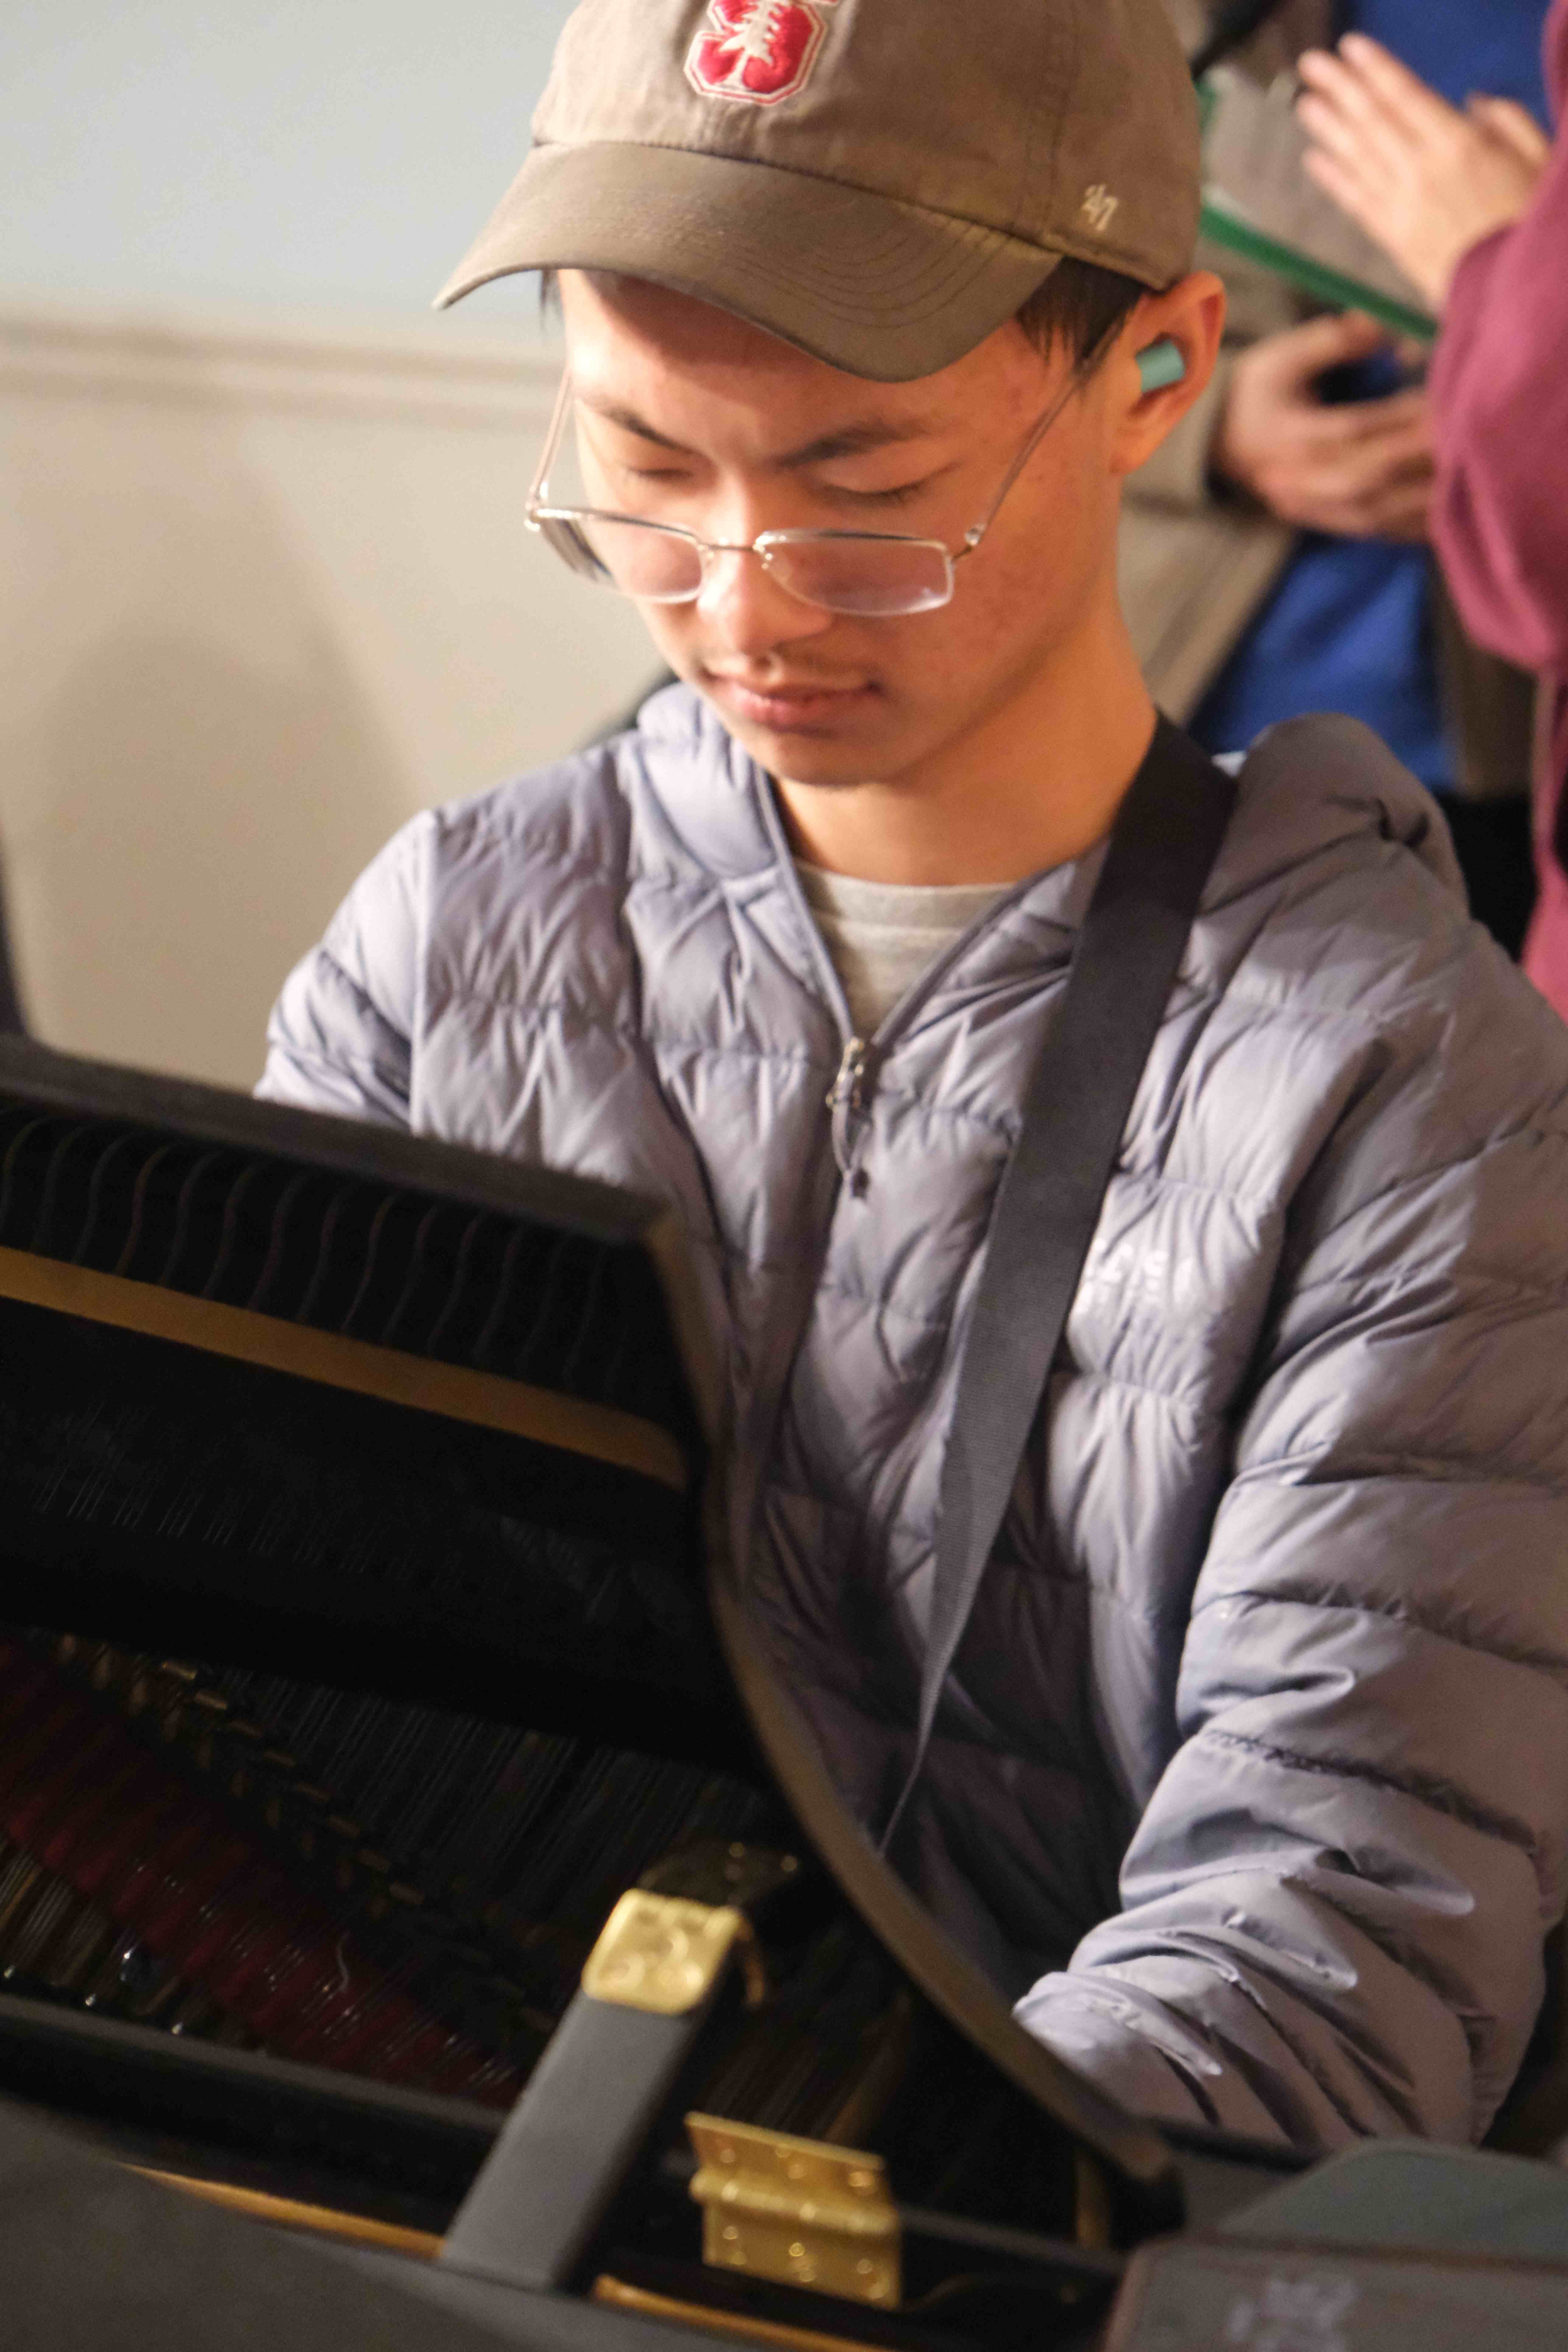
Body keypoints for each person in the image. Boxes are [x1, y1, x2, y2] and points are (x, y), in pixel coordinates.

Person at [260, 0, 1568, 2153]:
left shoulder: (1407, 1096)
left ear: (1159, 365)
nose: (744, 608)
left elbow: (1332, 1954)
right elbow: (282, 1691)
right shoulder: (443, 949)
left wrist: (769, 2189)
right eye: (645, 473)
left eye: (868, 493)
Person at [1131, 0, 1550, 957]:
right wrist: (1205, 422)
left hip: (1502, 770)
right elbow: (920, 308)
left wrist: (1527, 348)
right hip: (1173, 721)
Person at [1296, 11, 1568, 1019]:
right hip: (1218, 709)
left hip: (1488, 766)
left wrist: (1502, 282)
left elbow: (1543, 503)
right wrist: (1208, 431)